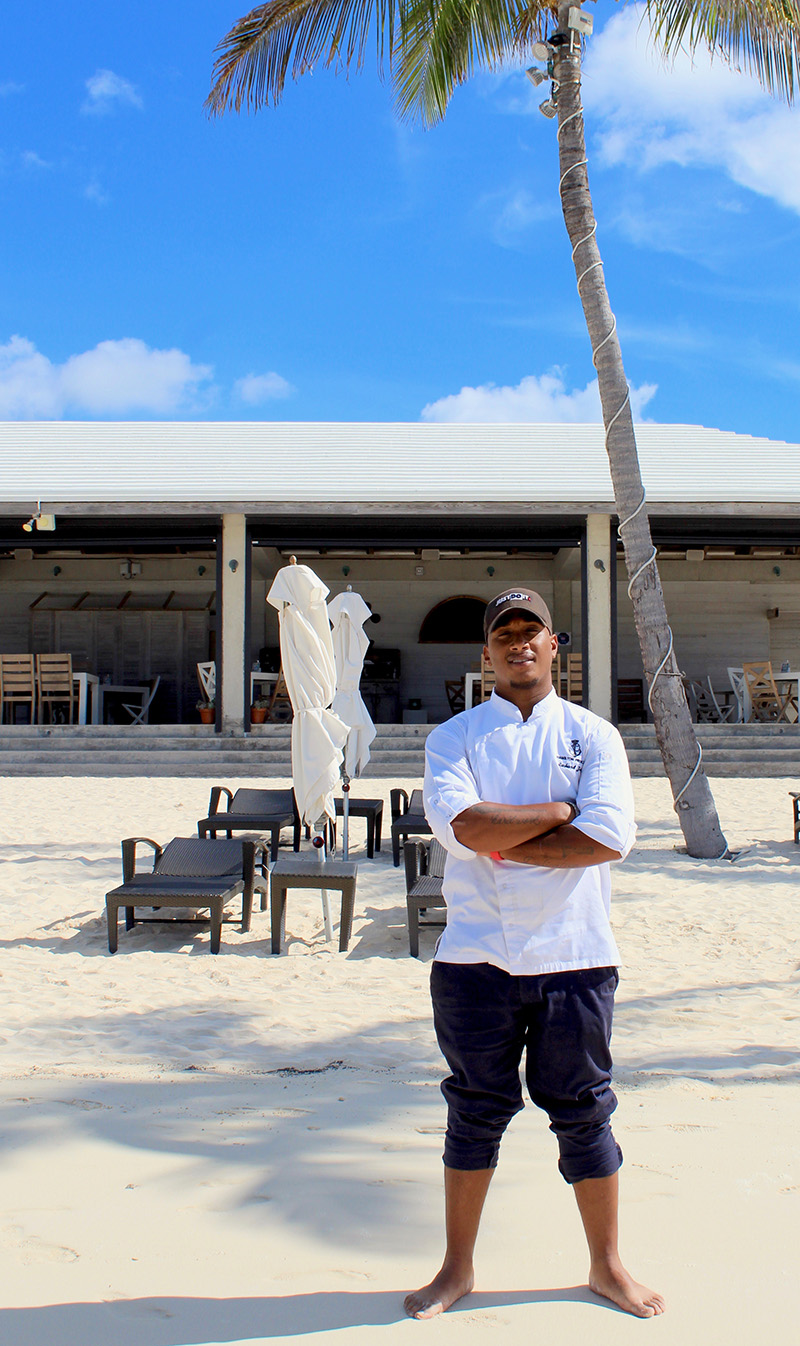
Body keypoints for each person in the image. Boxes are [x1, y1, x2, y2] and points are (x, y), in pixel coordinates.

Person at [404, 587, 664, 1321]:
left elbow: (607, 837)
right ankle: (456, 1268)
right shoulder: (453, 738)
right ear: (486, 653)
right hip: (474, 956)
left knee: (585, 1112)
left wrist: (503, 838)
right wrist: (556, 812)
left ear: (555, 645)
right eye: (504, 634)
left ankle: (607, 1266)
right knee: (473, 1111)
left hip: (575, 952)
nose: (519, 643)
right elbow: (461, 828)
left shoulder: (594, 735)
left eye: (532, 631)